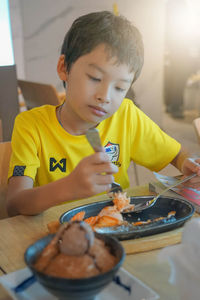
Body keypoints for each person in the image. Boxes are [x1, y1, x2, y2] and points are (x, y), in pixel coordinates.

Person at [6, 11, 200, 216]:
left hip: (117, 227)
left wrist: (188, 164)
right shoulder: (31, 125)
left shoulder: (126, 116)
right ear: (64, 68)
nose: (105, 96)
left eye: (119, 88)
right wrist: (68, 187)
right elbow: (14, 204)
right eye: (95, 78)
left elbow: (177, 154)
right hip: (56, 236)